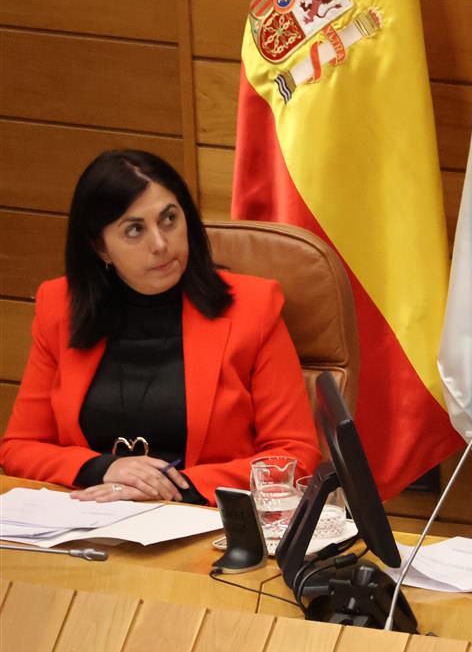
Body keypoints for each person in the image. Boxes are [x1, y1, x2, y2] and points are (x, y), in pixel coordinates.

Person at [0, 150, 319, 505]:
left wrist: (174, 485)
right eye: (134, 230)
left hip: (205, 521)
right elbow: (18, 448)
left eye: (169, 219)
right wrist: (103, 467)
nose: (160, 244)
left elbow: (294, 456)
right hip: (90, 520)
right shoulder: (60, 306)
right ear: (100, 248)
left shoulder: (253, 307)